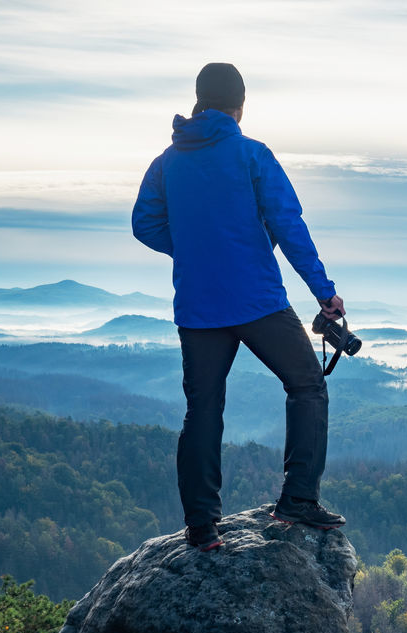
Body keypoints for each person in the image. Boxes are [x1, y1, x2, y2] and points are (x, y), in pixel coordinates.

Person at [132, 63, 346, 550]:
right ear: (239, 106)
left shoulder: (167, 162)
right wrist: (323, 290)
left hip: (197, 308)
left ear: (198, 102)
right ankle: (297, 500)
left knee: (202, 411)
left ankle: (202, 525)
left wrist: (193, 250)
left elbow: (144, 224)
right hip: (257, 301)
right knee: (308, 385)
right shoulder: (252, 154)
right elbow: (288, 224)